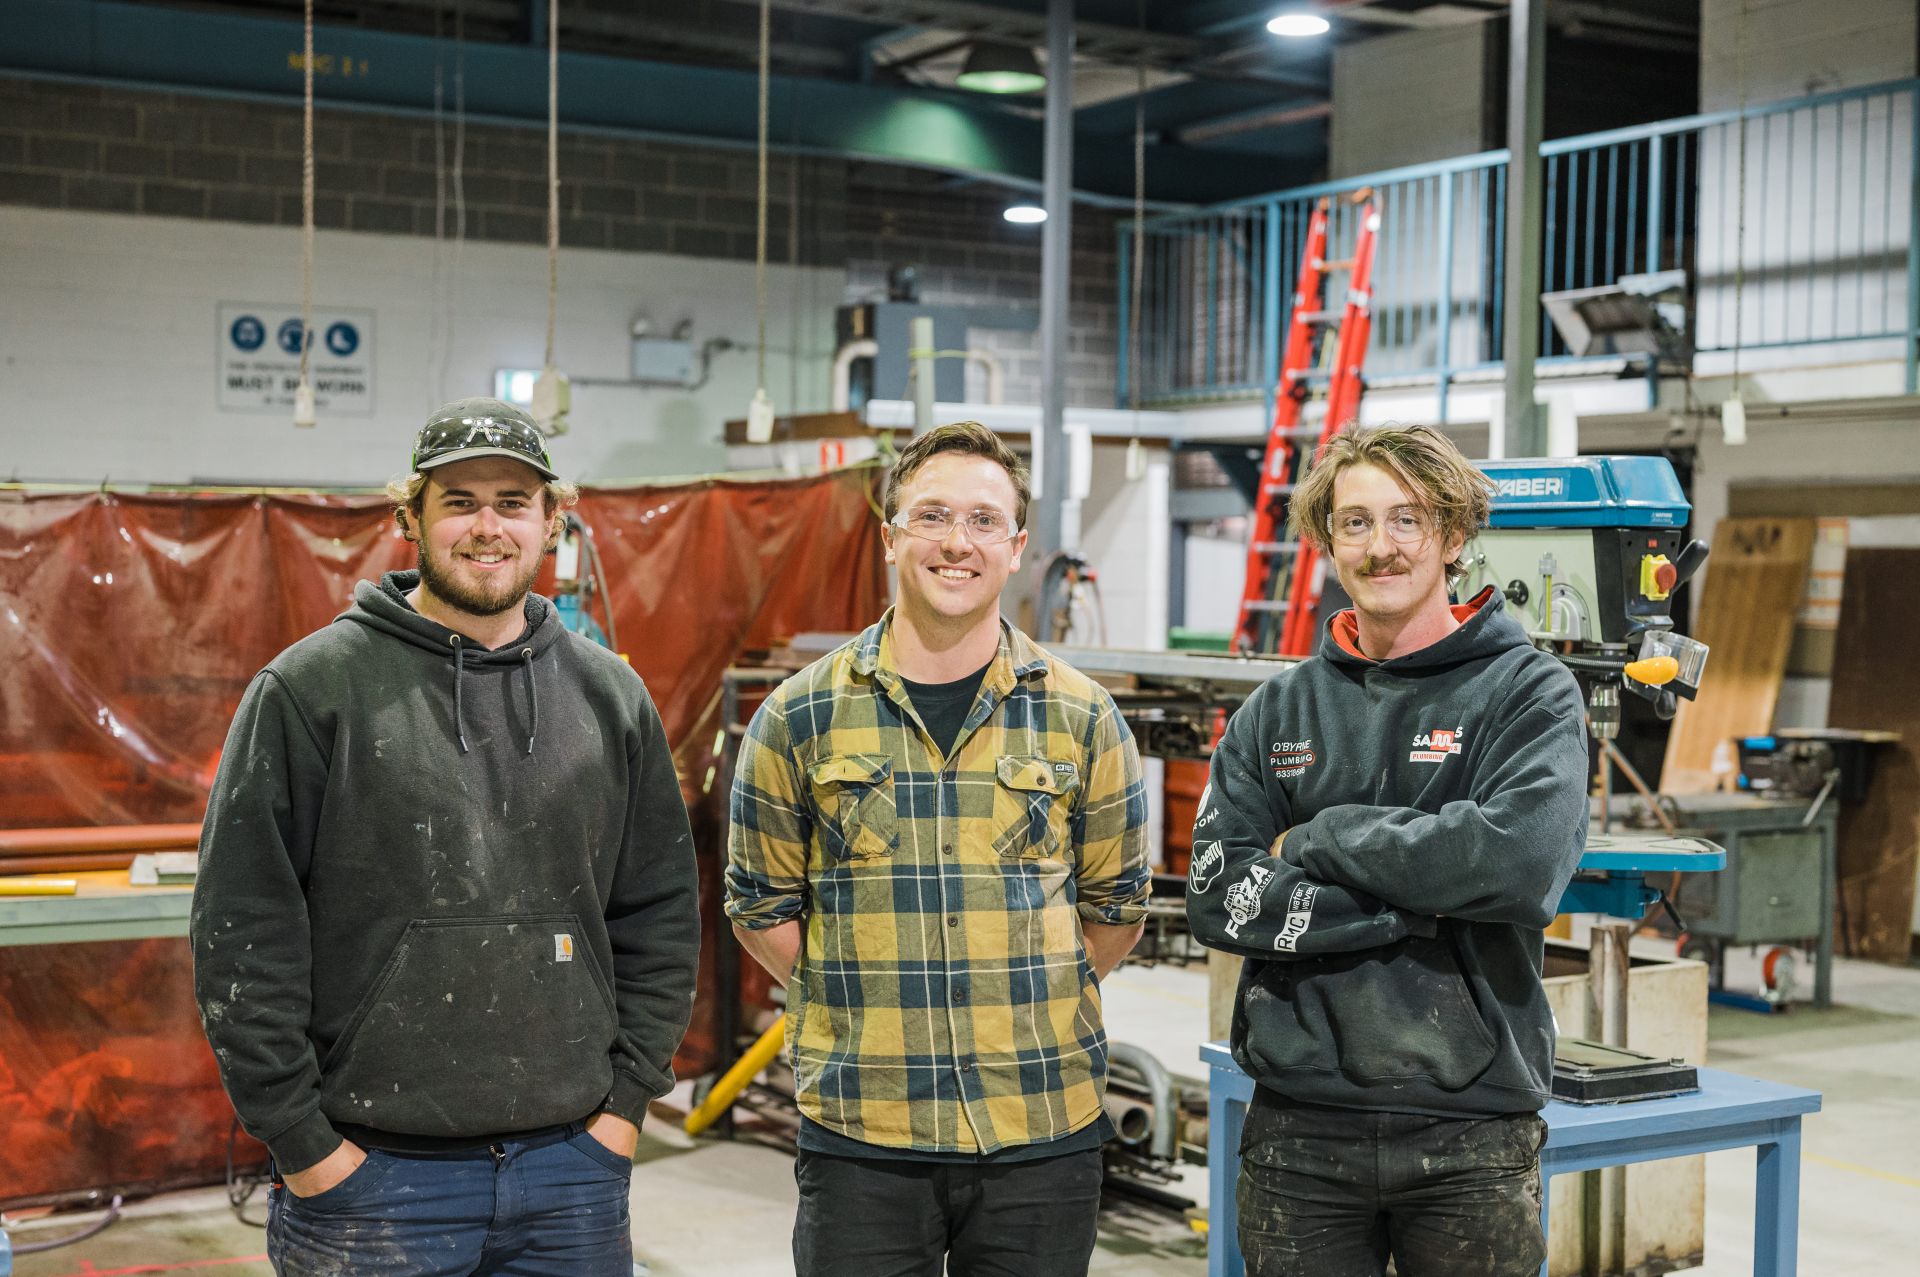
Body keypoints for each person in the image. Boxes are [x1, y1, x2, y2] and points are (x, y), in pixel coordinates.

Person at [191, 397, 700, 1276]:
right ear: (409, 519)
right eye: (459, 500)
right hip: (370, 1178)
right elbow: (244, 932)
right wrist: (304, 1143)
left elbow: (658, 911)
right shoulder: (311, 691)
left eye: (513, 500)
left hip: (571, 1174)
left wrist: (624, 1109)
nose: (487, 526)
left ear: (552, 519)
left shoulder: (612, 696)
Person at [725, 421, 1152, 1277]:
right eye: (932, 516)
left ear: (1017, 546)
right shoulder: (799, 715)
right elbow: (760, 905)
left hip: (1040, 1127)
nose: (958, 542)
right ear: (891, 538)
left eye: (984, 520)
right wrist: (862, 1001)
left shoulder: (1081, 716)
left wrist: (1023, 1004)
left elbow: (1115, 909)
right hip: (864, 1135)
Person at [1186, 424, 1588, 1276]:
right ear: (1329, 540)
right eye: (1356, 522)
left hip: (1472, 1132)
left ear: (1453, 533)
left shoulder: (1528, 692)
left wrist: (1322, 838)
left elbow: (1516, 864)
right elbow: (1221, 893)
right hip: (1298, 1130)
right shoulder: (1278, 711)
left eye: (1408, 519)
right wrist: (1424, 894)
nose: (1382, 546)